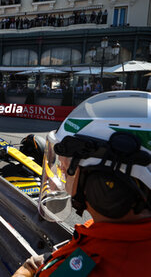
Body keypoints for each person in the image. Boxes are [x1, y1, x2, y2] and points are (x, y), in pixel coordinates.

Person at [12, 90, 151, 277]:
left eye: (68, 161)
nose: (61, 168)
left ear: (106, 183)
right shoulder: (112, 232)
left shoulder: (95, 264)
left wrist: (26, 270)